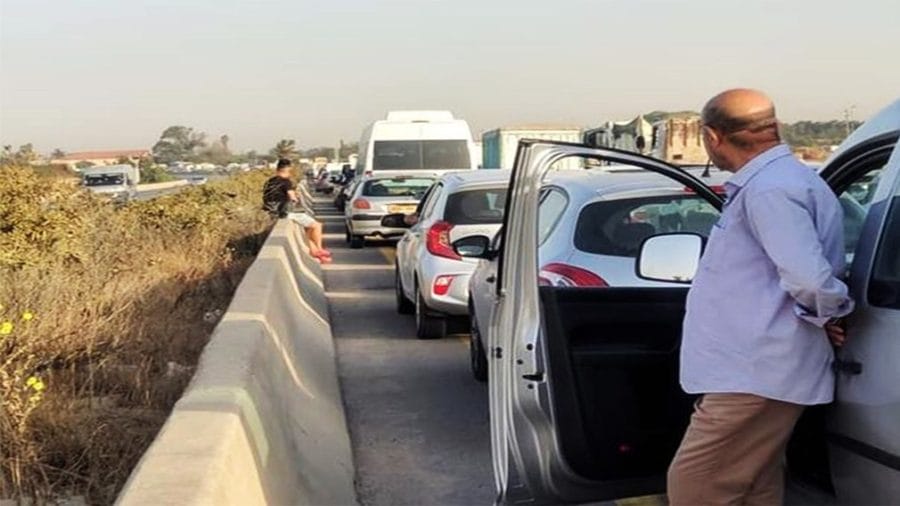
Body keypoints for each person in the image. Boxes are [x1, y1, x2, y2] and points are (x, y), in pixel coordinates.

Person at [667, 89, 852, 505]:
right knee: (754, 485)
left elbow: (809, 277)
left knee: (695, 486)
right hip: (760, 369)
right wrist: (828, 314)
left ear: (712, 136)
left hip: (754, 372)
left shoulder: (769, 189)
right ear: (773, 126)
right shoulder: (783, 181)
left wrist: (832, 313)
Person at [263, 159, 332, 262]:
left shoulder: (269, 182)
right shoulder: (286, 182)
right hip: (286, 212)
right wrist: (296, 197)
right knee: (317, 225)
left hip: (272, 212)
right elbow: (293, 198)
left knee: (306, 231)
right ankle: (319, 249)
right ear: (287, 169)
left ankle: (314, 250)